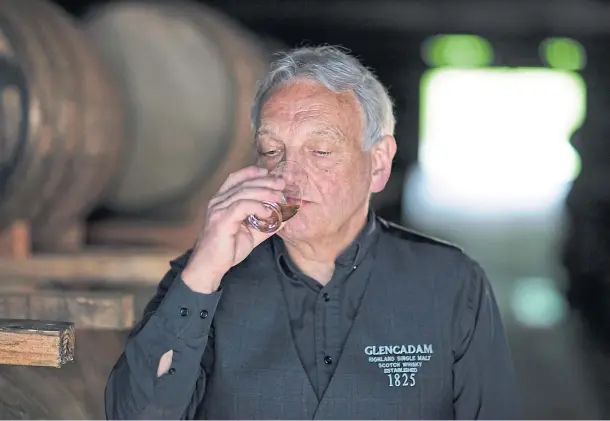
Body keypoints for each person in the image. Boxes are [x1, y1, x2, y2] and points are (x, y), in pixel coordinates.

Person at [105, 45, 520, 420]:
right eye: (272, 151)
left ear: (378, 163)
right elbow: (137, 415)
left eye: (320, 151)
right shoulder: (201, 280)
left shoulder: (451, 284)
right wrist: (202, 272)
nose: (287, 175)